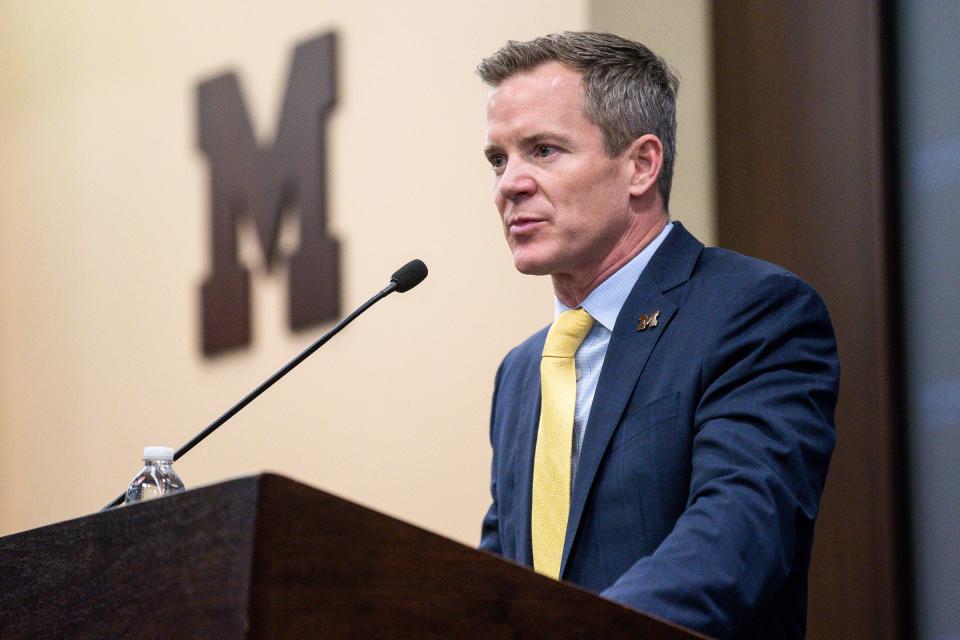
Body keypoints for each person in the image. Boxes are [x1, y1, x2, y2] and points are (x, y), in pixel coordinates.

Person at [477, 32, 839, 640]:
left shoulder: (752, 313)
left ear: (641, 165)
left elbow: (735, 536)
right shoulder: (522, 371)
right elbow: (496, 581)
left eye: (543, 150)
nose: (509, 184)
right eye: (498, 158)